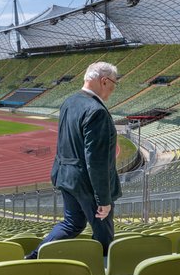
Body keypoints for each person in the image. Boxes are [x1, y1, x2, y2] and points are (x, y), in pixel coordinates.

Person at [25, 61, 122, 259]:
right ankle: (100, 274)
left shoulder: (69, 102)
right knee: (104, 233)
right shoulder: (97, 112)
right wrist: (103, 199)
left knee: (73, 223)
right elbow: (97, 160)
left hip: (66, 177)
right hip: (87, 184)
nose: (113, 89)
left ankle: (33, 258)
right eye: (114, 83)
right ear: (104, 81)